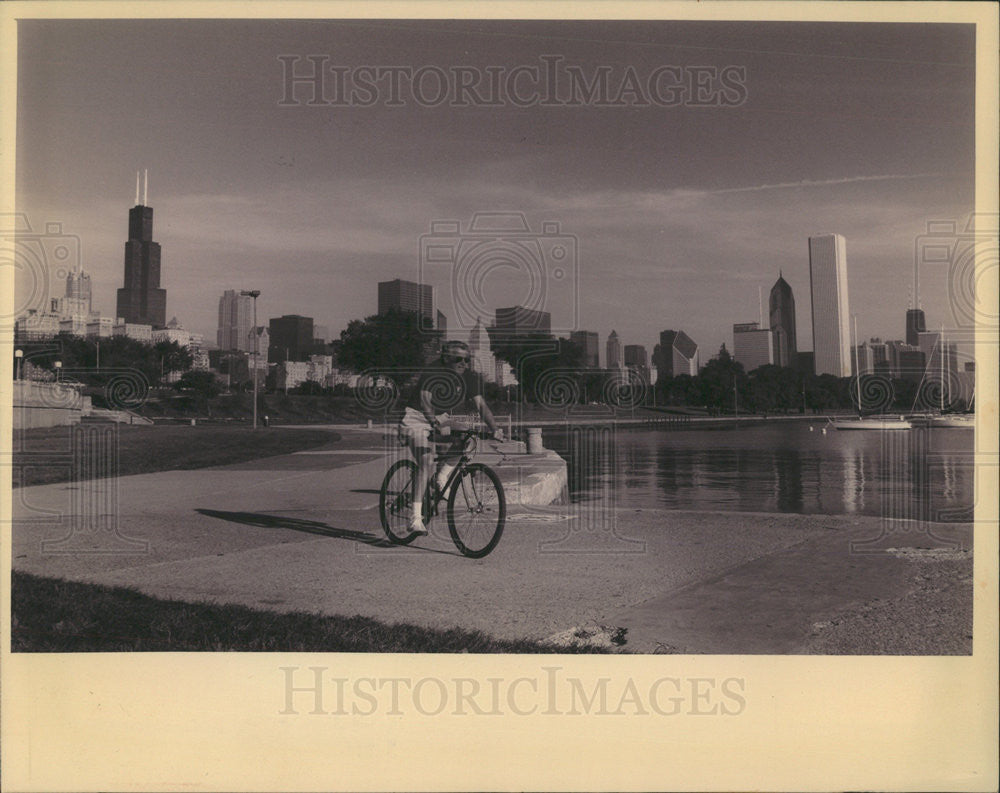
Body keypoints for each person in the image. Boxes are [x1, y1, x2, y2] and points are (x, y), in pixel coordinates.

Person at [398, 340, 503, 535]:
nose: (463, 363)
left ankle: (442, 476)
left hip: (443, 418)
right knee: (426, 461)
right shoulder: (433, 371)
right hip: (417, 418)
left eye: (467, 360)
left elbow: (481, 405)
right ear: (446, 358)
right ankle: (415, 518)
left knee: (470, 439)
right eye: (458, 359)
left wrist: (494, 428)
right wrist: (435, 424)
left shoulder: (469, 377)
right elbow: (425, 401)